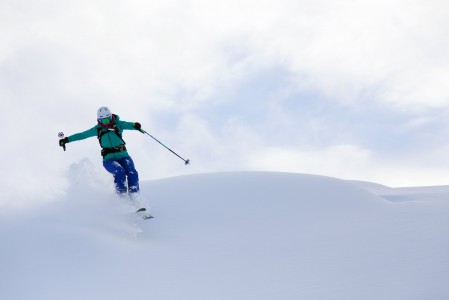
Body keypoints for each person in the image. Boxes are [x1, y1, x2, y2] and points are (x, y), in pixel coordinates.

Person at [59, 106, 143, 199]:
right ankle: (122, 197)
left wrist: (135, 126)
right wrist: (67, 139)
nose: (106, 123)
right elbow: (82, 135)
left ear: (111, 117)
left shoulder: (118, 124)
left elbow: (129, 125)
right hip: (109, 159)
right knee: (120, 171)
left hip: (124, 156)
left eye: (108, 119)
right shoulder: (97, 129)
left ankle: (135, 197)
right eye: (104, 121)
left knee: (132, 172)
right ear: (99, 120)